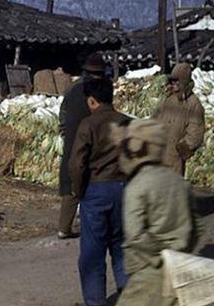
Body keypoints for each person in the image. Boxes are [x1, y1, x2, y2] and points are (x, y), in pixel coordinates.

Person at [113, 119, 200, 306]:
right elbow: (198, 226)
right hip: (179, 268)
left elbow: (135, 235)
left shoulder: (137, 187)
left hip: (149, 270)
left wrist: (160, 253)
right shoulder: (179, 182)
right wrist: (182, 251)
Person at [68, 78, 130, 306]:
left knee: (93, 254)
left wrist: (78, 190)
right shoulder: (128, 123)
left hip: (96, 190)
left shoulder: (89, 125)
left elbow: (76, 164)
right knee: (122, 247)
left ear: (92, 100)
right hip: (125, 190)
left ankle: (95, 301)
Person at [57, 52, 107, 239]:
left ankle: (64, 227)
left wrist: (64, 131)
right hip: (91, 140)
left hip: (72, 139)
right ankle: (91, 224)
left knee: (71, 180)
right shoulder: (100, 90)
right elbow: (105, 116)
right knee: (91, 180)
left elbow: (63, 113)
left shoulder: (72, 88)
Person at [153, 62, 205, 176]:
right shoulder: (167, 99)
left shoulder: (193, 104)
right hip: (157, 155)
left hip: (174, 160)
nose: (174, 84)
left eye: (178, 81)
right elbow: (154, 119)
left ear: (185, 82)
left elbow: (195, 133)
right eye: (172, 81)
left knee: (171, 190)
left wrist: (179, 150)